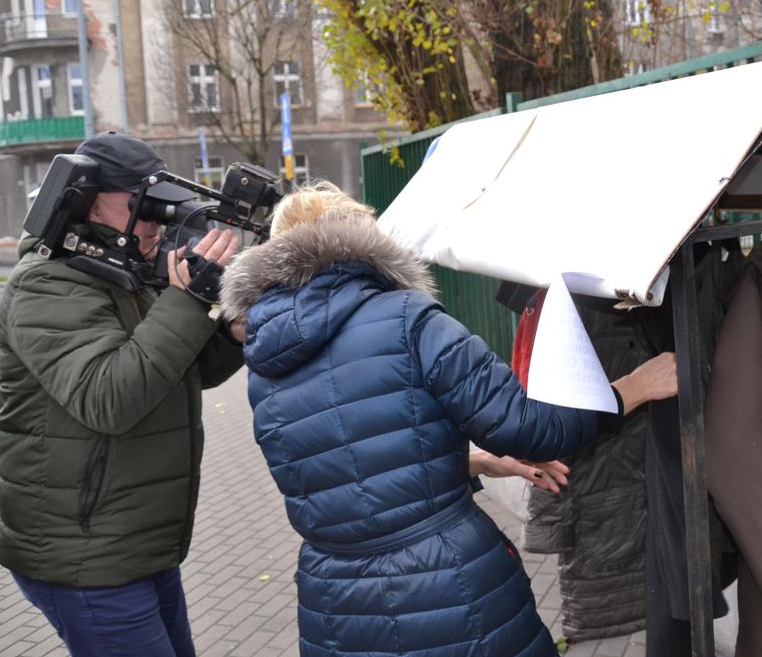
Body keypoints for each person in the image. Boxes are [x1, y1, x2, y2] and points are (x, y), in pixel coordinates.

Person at [218, 181, 677, 657]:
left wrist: (475, 462)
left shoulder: (266, 362)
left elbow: (349, 482)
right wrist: (631, 388)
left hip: (335, 603)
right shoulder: (406, 318)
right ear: (361, 239)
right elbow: (530, 427)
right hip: (445, 589)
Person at [0, 133, 246, 657]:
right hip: (84, 556)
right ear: (84, 199)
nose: (154, 224)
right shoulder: (46, 285)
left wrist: (228, 332)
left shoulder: (125, 278)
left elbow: (178, 372)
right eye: (141, 207)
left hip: (132, 546)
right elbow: (110, 397)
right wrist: (187, 303)